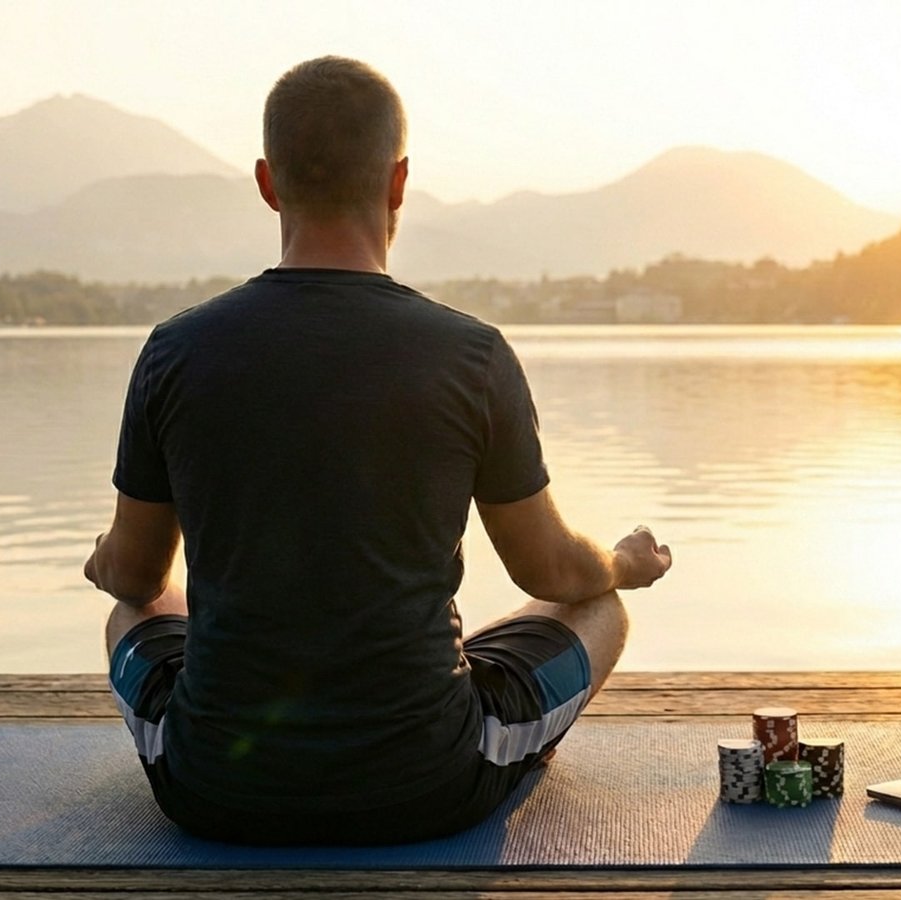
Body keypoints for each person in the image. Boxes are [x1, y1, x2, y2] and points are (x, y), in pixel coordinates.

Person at [83, 56, 672, 846]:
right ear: (398, 183)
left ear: (267, 183)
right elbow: (552, 573)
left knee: (136, 608)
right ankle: (501, 734)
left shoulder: (174, 352)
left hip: (212, 786)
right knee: (598, 607)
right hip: (427, 785)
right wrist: (625, 563)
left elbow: (133, 576)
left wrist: (103, 558)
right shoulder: (471, 356)